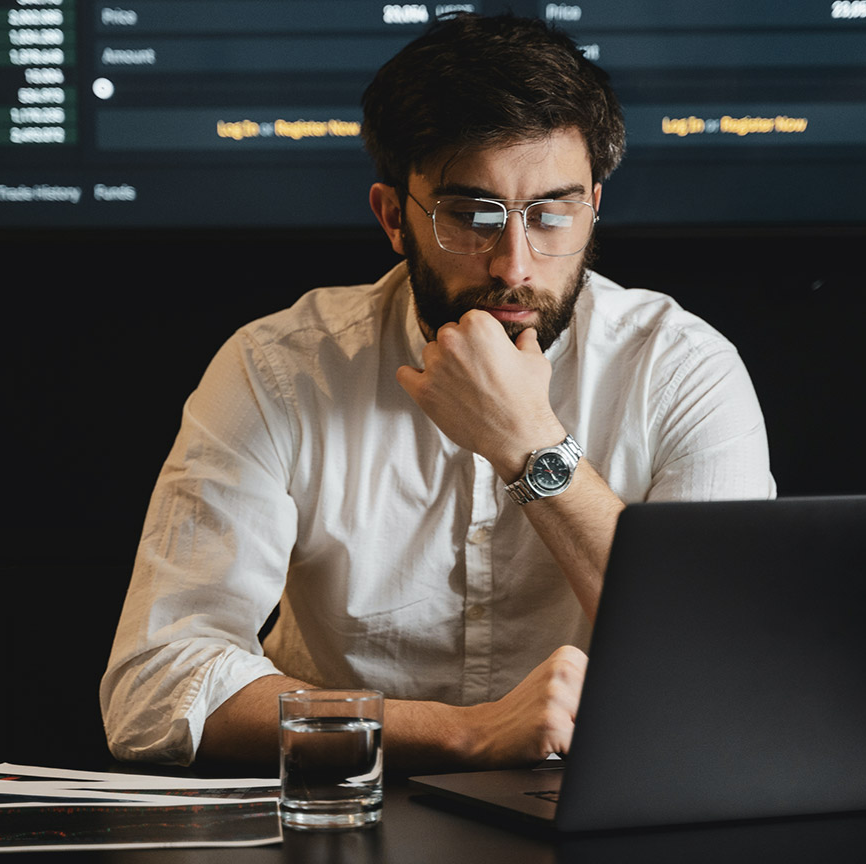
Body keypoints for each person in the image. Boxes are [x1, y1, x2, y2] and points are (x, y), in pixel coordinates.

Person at [100, 13, 775, 774]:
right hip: (341, 811)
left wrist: (532, 449)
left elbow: (725, 668)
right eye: (470, 215)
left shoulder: (684, 369)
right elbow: (155, 687)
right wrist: (468, 733)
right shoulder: (277, 368)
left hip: (603, 811)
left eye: (553, 213)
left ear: (594, 206)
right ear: (394, 217)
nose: (514, 264)